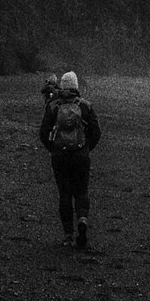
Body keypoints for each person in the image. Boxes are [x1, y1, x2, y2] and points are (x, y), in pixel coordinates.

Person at [40, 71, 101, 249]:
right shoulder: (85, 106)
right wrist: (86, 149)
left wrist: (53, 149)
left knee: (64, 194)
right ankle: (82, 219)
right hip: (81, 156)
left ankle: (68, 235)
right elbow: (96, 132)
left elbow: (43, 133)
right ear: (76, 86)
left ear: (62, 85)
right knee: (81, 191)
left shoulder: (53, 106)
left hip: (60, 156)